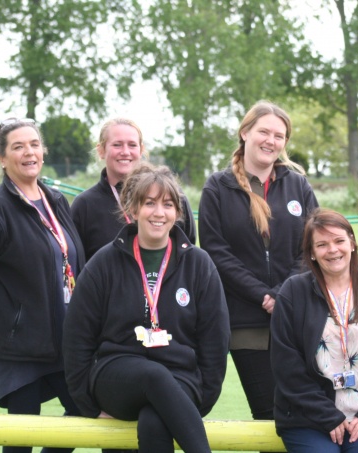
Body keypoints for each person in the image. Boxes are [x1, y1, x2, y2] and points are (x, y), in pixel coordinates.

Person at [63, 162, 229, 453]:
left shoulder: (199, 264)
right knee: (155, 375)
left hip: (181, 376)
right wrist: (87, 405)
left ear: (178, 212)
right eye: (149, 203)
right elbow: (77, 336)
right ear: (133, 208)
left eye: (167, 204)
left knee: (154, 422)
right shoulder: (104, 262)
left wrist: (204, 398)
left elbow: (215, 338)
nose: (159, 212)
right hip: (117, 374)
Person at [0, 117, 84, 453]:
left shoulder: (56, 201)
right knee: (22, 433)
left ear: (43, 151)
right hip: (18, 347)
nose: (29, 152)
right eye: (18, 147)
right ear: (2, 158)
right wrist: (4, 319)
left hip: (63, 338)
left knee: (84, 409)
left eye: (34, 144)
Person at [198, 100, 319, 435]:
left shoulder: (298, 185)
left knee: (304, 409)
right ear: (245, 133)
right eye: (264, 132)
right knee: (268, 413)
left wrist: (282, 293)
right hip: (245, 321)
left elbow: (314, 246)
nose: (271, 141)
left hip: (296, 315)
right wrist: (263, 296)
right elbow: (216, 253)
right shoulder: (217, 187)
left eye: (279, 136)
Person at [270, 208, 358, 453]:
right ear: (312, 252)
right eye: (322, 244)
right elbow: (286, 367)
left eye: (339, 241)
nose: (333, 250)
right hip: (310, 418)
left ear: (352, 242)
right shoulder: (293, 292)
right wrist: (328, 416)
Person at [71, 117, 195, 261]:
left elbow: (189, 252)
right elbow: (77, 262)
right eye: (117, 145)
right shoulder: (84, 205)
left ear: (141, 150)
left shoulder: (171, 197)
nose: (125, 152)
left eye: (132, 145)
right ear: (101, 150)